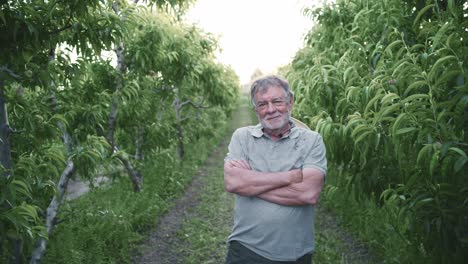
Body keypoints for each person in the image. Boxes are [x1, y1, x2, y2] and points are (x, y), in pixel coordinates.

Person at [224, 75, 327, 263]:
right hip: (246, 249)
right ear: (256, 110)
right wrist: (292, 176)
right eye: (262, 104)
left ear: (290, 103)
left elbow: (308, 194)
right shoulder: (242, 137)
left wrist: (250, 185)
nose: (271, 110)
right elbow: (233, 182)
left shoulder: (311, 140)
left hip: (296, 253)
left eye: (277, 101)